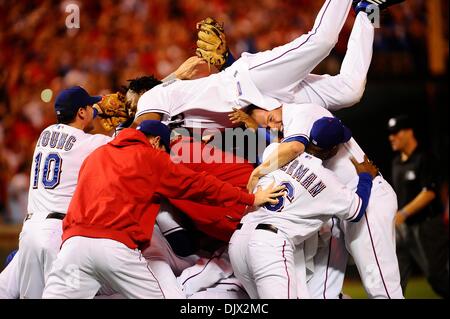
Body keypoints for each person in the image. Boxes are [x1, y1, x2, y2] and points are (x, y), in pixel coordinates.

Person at [42, 121, 284, 299]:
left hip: (72, 247)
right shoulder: (151, 157)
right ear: (156, 141)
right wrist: (249, 197)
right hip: (115, 248)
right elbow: (200, 185)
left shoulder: (96, 155)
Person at [228, 116, 379, 299]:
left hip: (238, 241)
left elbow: (281, 144)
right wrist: (365, 177)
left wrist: (260, 129)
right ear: (333, 150)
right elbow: (357, 210)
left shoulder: (275, 152)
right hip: (269, 244)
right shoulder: (328, 181)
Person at [7, 87, 114, 299]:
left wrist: (96, 109)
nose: (93, 110)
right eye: (89, 107)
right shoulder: (88, 143)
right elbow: (126, 143)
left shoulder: (44, 134)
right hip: (58, 234)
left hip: (28, 233)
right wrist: (122, 118)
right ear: (81, 112)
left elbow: (71, 135)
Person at [388, 114, 449, 298]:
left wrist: (404, 213)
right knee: (395, 279)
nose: (392, 137)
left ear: (409, 132)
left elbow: (430, 192)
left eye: (396, 132)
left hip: (427, 227)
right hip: (403, 229)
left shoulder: (425, 157)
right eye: (390, 133)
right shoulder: (396, 163)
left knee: (436, 277)